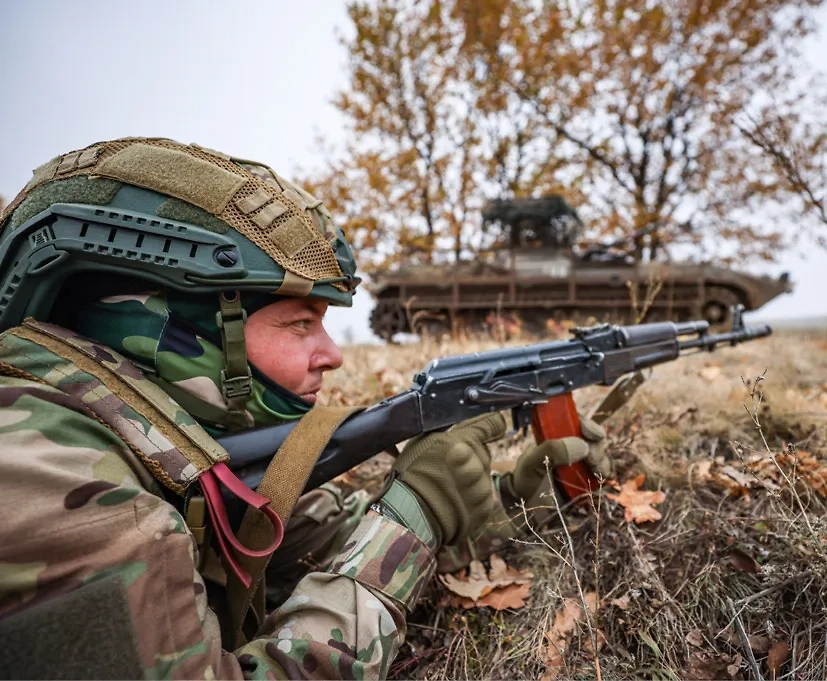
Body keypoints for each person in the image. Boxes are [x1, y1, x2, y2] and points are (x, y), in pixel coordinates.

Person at [0, 137, 608, 680]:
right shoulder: (53, 482)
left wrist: (503, 500)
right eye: (299, 324)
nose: (334, 355)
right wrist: (415, 514)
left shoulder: (160, 444)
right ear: (174, 331)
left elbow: (318, 540)